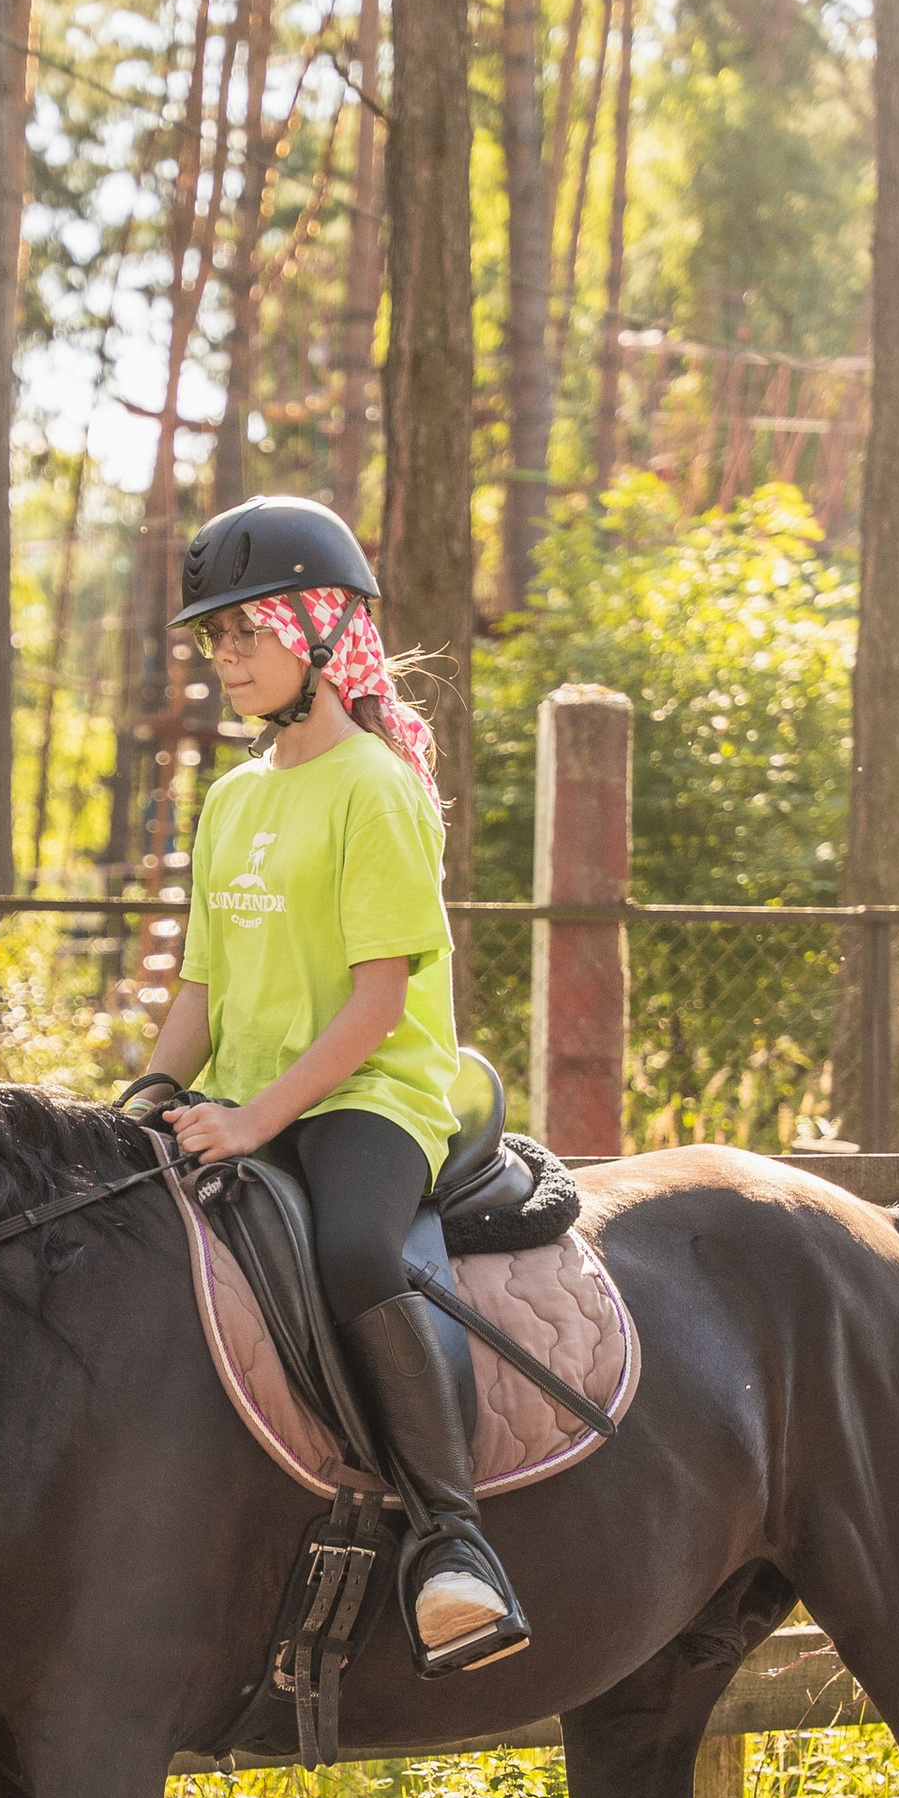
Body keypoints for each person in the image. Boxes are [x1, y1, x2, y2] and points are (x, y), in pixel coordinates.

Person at [129, 496, 529, 1674]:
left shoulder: (374, 788)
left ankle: (454, 1543)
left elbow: (377, 1005)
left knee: (356, 1248)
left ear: (316, 631)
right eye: (214, 641)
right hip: (245, 1093)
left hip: (372, 1096)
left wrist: (254, 1120)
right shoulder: (232, 798)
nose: (226, 660)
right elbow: (202, 989)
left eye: (246, 632)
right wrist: (148, 1091)